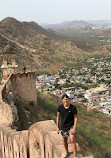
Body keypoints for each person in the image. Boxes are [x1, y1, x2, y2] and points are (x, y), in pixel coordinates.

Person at [56, 94, 78, 158]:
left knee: (72, 139)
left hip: (71, 126)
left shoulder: (73, 108)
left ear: (69, 100)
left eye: (67, 99)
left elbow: (76, 117)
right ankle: (67, 152)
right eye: (64, 99)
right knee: (65, 140)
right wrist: (57, 127)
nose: (66, 100)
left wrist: (74, 127)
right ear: (62, 101)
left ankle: (75, 156)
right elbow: (58, 116)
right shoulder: (60, 107)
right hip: (63, 126)